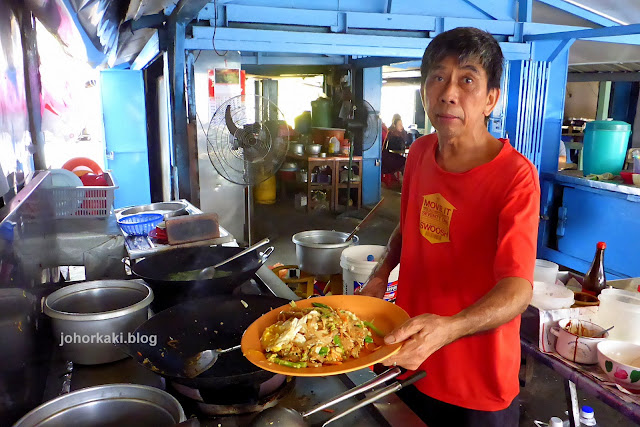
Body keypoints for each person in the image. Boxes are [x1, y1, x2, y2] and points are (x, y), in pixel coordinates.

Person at [358, 27, 540, 427]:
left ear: (491, 98)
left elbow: (517, 289)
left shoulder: (515, 177)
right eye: (438, 77)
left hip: (476, 384)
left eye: (468, 80)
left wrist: (449, 328)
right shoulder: (421, 151)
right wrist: (381, 272)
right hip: (410, 357)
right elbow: (407, 230)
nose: (449, 92)